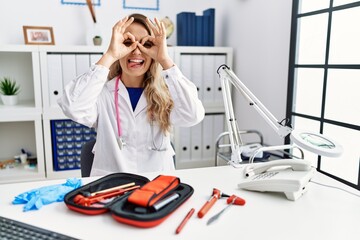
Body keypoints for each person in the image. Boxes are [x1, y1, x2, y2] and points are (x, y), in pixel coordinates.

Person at [58, 13, 205, 176]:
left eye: (146, 44)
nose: (136, 51)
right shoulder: (101, 93)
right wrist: (110, 55)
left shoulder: (168, 93)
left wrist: (164, 59)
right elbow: (72, 107)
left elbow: (193, 115)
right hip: (111, 189)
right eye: (127, 42)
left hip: (156, 187)